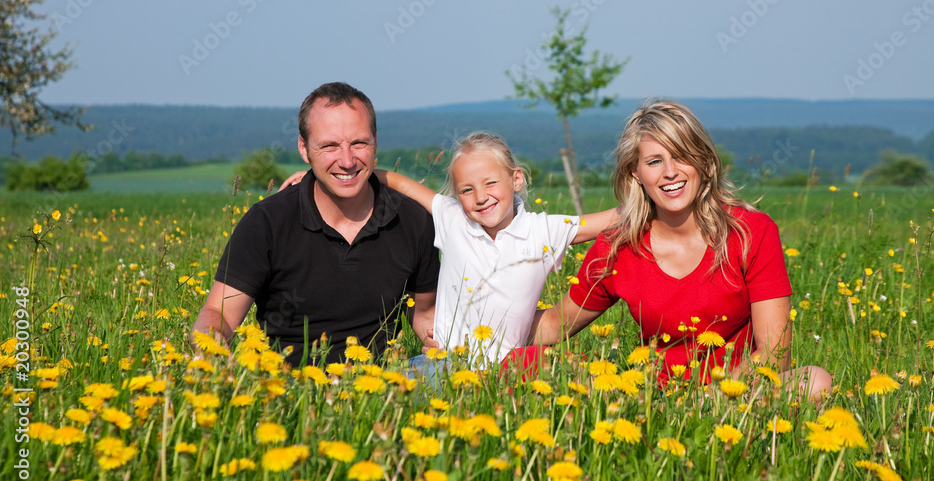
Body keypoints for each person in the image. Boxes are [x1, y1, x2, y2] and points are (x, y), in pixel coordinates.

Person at [529, 99, 831, 400]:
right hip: (649, 397)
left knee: (815, 381)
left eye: (682, 156)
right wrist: (487, 324)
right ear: (636, 173)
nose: (670, 172)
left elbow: (774, 354)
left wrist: (705, 402)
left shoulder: (751, 232)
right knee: (531, 365)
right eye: (654, 161)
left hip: (734, 395)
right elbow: (556, 325)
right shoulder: (617, 245)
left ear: (704, 162)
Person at [282, 131, 618, 369]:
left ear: (516, 179)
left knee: (559, 371)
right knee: (378, 393)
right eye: (467, 189)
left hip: (506, 369)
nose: (480, 197)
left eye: (490, 183)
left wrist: (657, 198)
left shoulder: (544, 230)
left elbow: (608, 219)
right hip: (442, 362)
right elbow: (398, 182)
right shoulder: (453, 218)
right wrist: (322, 179)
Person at [190, 82, 440, 367]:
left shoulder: (413, 221)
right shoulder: (267, 222)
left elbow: (424, 313)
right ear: (304, 148)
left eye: (359, 143)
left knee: (443, 370)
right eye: (329, 146)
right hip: (286, 382)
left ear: (375, 143)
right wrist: (216, 353)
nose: (347, 161)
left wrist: (445, 343)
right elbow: (218, 312)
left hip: (384, 383)